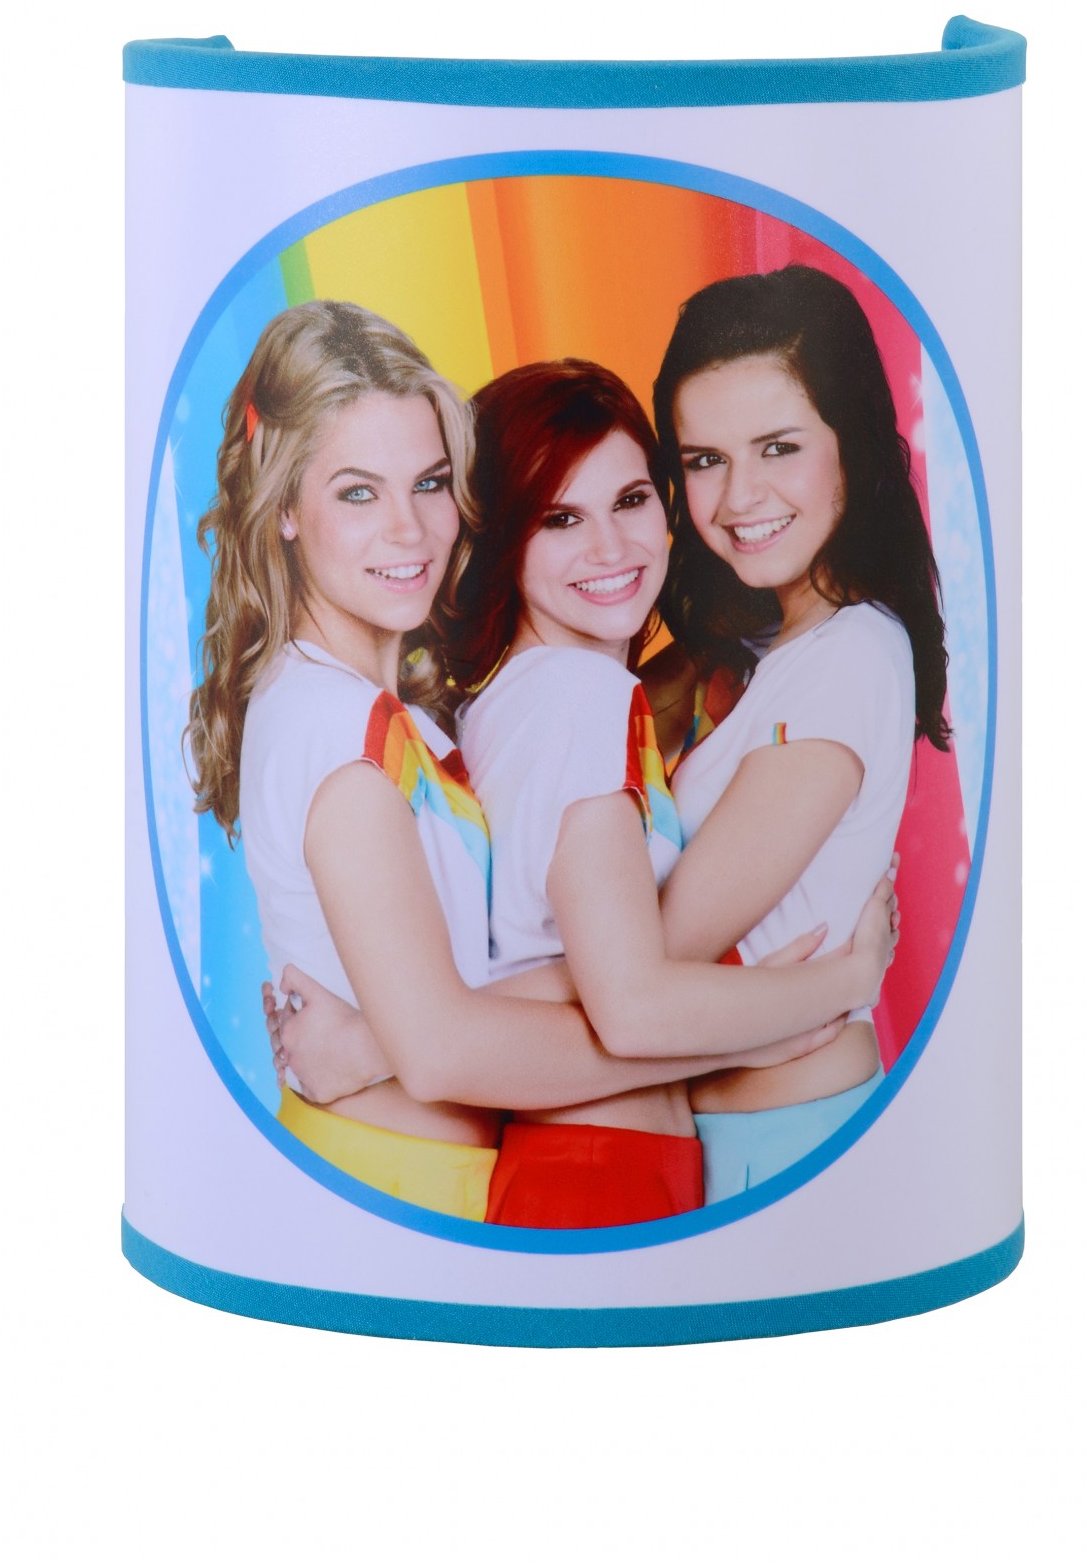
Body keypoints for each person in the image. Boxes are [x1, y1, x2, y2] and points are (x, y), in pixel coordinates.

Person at [192, 301, 880, 1225]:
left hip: (470, 1170)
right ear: (282, 506)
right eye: (358, 493)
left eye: (429, 484)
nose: (408, 530)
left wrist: (369, 1043)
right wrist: (809, 1001)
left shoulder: (423, 717)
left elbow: (506, 982)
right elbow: (494, 1035)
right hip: (487, 1172)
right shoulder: (371, 725)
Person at [646, 264, 949, 1202]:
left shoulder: (849, 657)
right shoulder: (762, 649)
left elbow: (645, 963)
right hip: (730, 1139)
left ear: (849, 442)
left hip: (784, 1145)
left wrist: (395, 1037)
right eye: (705, 460)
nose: (740, 497)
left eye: (777, 447)